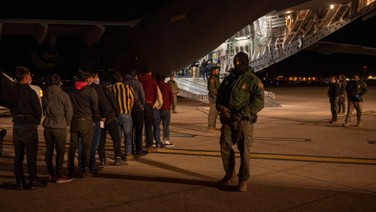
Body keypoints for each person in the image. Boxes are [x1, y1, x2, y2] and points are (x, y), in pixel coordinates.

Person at [216, 52, 264, 192]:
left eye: (239, 62)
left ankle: (243, 179)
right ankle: (230, 174)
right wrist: (221, 107)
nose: (237, 64)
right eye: (235, 62)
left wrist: (243, 113)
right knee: (224, 146)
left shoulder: (253, 80)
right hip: (228, 119)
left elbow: (259, 102)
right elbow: (219, 97)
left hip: (244, 121)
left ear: (245, 63)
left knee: (244, 151)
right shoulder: (228, 79)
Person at [10, 66, 45, 190]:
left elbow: (11, 107)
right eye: (29, 75)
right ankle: (32, 180)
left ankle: (19, 181)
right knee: (31, 155)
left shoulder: (12, 91)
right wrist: (34, 122)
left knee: (18, 155)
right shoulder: (30, 92)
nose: (30, 78)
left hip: (17, 125)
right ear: (25, 77)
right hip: (29, 125)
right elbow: (38, 110)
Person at [42, 74, 73, 183]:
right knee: (60, 151)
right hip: (59, 126)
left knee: (49, 150)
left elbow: (43, 108)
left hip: (48, 125)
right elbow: (69, 111)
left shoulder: (45, 94)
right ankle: (59, 173)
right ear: (59, 82)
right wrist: (67, 123)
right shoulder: (63, 95)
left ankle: (50, 172)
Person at [68, 70, 99, 178]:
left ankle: (70, 169)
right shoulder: (91, 90)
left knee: (72, 146)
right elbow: (95, 106)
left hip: (74, 120)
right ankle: (84, 170)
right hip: (86, 120)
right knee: (86, 147)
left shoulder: (71, 89)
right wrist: (95, 118)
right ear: (87, 79)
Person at [97, 77, 126, 167]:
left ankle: (102, 160)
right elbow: (115, 105)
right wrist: (116, 116)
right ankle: (117, 158)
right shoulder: (108, 92)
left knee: (101, 140)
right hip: (110, 119)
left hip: (101, 120)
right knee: (116, 138)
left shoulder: (96, 93)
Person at [109, 71, 135, 159]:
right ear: (121, 79)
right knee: (128, 135)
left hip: (115, 116)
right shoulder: (127, 87)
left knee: (117, 137)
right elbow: (132, 99)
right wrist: (129, 109)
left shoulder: (110, 89)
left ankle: (118, 154)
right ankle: (128, 153)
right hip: (126, 114)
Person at [123, 69, 146, 157]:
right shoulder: (137, 83)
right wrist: (142, 105)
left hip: (127, 109)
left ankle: (130, 150)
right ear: (135, 75)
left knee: (129, 132)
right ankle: (138, 150)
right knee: (138, 131)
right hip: (137, 109)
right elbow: (142, 96)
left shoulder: (124, 83)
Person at [138, 67, 158, 153]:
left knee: (138, 127)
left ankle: (138, 147)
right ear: (150, 72)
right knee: (149, 126)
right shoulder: (153, 81)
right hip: (149, 104)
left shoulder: (139, 80)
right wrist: (151, 103)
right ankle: (149, 146)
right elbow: (155, 94)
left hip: (139, 105)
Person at [157, 74, 175, 147]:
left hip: (157, 109)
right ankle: (166, 140)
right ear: (164, 79)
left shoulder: (156, 85)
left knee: (156, 125)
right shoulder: (167, 86)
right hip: (166, 108)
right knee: (166, 126)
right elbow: (171, 97)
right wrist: (169, 105)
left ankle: (156, 140)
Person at [207, 66, 221, 132]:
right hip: (213, 97)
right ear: (213, 71)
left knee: (215, 112)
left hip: (216, 96)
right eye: (217, 71)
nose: (218, 72)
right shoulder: (212, 78)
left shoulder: (215, 78)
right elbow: (212, 89)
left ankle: (213, 126)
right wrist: (218, 94)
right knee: (212, 112)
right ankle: (210, 127)